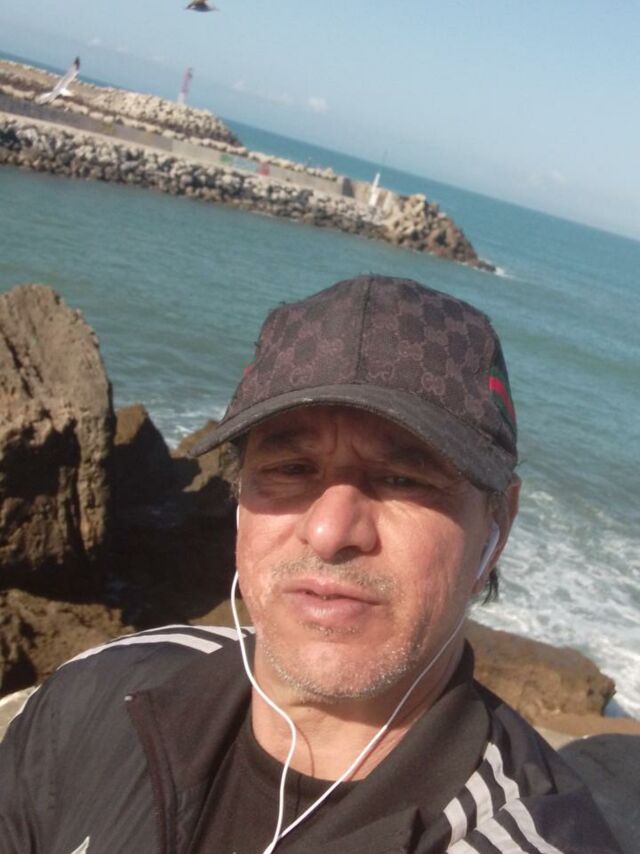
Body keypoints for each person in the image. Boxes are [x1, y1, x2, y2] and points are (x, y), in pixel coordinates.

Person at [0, 275, 620, 854]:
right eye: (291, 469)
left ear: (498, 524)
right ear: (239, 498)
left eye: (402, 478)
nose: (329, 533)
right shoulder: (99, 694)